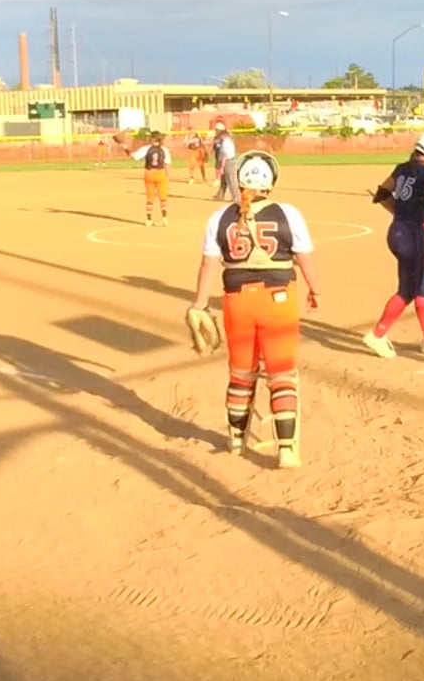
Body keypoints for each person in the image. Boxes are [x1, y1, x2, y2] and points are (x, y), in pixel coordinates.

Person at [187, 151, 321, 468]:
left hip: (237, 303)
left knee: (241, 373)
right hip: (278, 301)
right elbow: (304, 258)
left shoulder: (219, 217)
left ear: (239, 180)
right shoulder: (288, 213)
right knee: (282, 374)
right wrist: (315, 288)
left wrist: (200, 304)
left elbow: (208, 264)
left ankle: (236, 441)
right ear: (271, 182)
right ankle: (286, 450)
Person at [363, 131, 424, 358]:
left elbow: (381, 193)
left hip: (399, 232)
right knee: (409, 290)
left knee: (423, 287)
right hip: (413, 235)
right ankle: (377, 334)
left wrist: (400, 211)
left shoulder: (402, 168)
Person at [133, 130, 171, 226]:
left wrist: (125, 147)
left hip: (149, 173)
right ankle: (164, 218)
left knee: (150, 197)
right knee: (163, 197)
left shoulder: (146, 148)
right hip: (161, 173)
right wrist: (167, 175)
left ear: (152, 139)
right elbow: (167, 164)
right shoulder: (164, 149)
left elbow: (134, 156)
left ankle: (149, 220)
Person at [211, 123, 237, 202]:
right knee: (223, 180)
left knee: (230, 179)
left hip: (228, 161)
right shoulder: (224, 140)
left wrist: (222, 167)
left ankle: (236, 197)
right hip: (226, 160)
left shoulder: (226, 142)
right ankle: (220, 195)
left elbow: (225, 155)